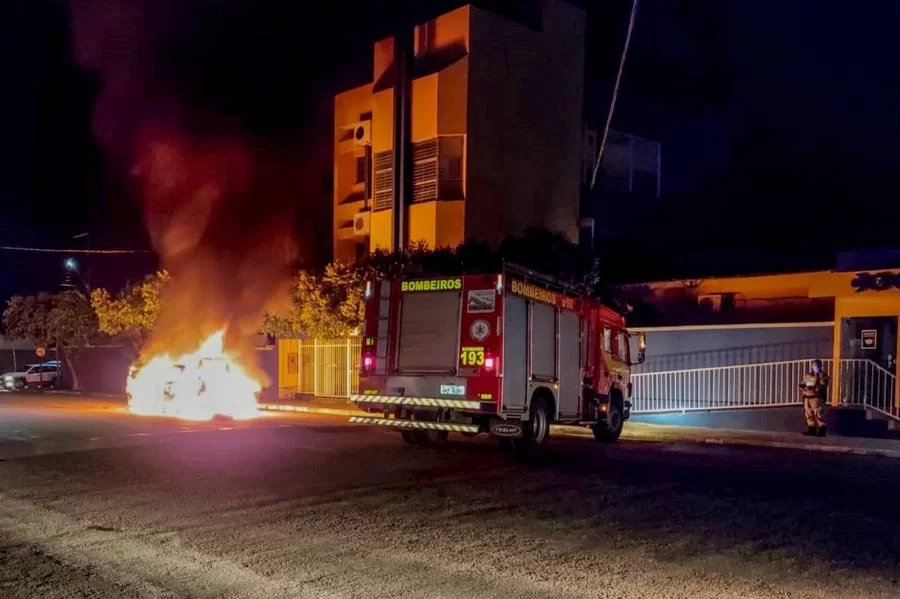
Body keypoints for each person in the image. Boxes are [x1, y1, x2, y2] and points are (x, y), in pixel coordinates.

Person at [800, 359, 829, 436]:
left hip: (816, 398)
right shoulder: (808, 375)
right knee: (809, 414)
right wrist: (804, 387)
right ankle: (811, 429)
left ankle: (822, 430)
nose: (814, 367)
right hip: (807, 397)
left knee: (818, 414)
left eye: (816, 365)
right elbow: (803, 383)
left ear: (820, 366)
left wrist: (816, 384)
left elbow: (823, 385)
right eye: (813, 365)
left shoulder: (823, 375)